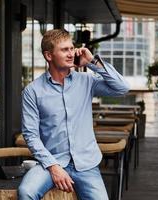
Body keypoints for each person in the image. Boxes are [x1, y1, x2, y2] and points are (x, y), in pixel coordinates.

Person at [18, 29, 130, 200]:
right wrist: (53, 167)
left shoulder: (87, 81)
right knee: (26, 192)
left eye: (71, 48)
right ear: (49, 55)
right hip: (52, 162)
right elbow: (31, 135)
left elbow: (122, 87)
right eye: (64, 50)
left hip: (86, 165)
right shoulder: (32, 91)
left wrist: (92, 61)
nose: (71, 54)